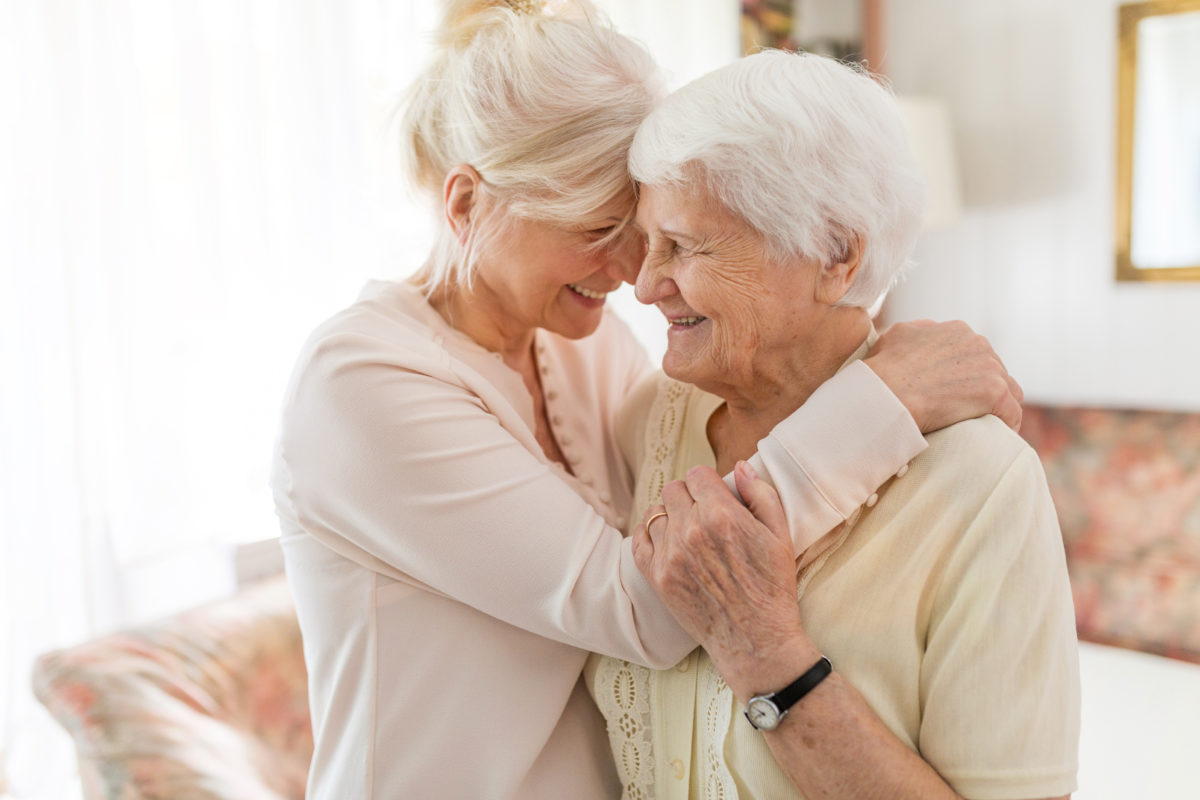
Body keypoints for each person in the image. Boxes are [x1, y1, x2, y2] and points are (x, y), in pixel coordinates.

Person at [271, 3, 1025, 798]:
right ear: (466, 205)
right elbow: (652, 607)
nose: (633, 270)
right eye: (599, 227)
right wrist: (885, 401)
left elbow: (698, 466)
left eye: (641, 224)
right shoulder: (360, 385)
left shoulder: (578, 340)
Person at [587, 50, 1080, 799]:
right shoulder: (639, 423)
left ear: (834, 254)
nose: (647, 284)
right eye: (647, 243)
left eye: (684, 246)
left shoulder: (982, 484)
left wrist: (764, 653)